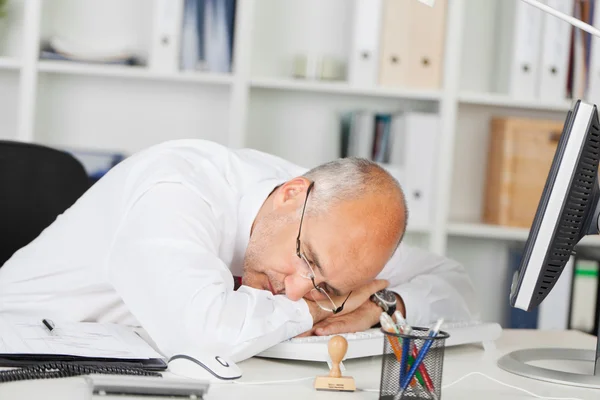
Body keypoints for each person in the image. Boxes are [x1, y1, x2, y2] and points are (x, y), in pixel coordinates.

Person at [0, 139, 476, 362]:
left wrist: (378, 305)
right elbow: (203, 333)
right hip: (26, 363)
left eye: (328, 287)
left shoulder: (335, 228)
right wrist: (315, 310)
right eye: (306, 259)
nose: (295, 290)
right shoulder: (177, 185)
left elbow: (454, 280)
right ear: (291, 194)